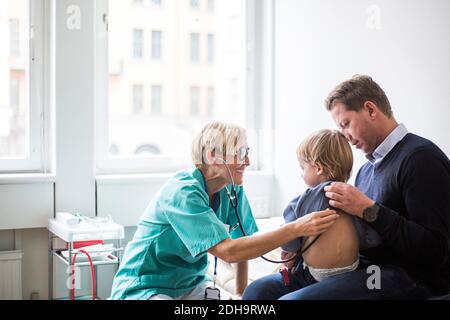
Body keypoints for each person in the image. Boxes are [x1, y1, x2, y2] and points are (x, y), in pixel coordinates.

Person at [245, 75, 450, 300]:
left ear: (371, 110)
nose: (345, 136)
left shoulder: (420, 158)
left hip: (406, 275)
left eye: (345, 124)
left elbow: (437, 249)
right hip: (367, 269)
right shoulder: (366, 171)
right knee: (258, 292)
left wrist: (368, 210)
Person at [110, 121, 339, 300]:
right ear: (212, 155)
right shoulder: (183, 192)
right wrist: (296, 228)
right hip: (146, 285)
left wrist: (241, 293)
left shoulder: (232, 189)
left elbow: (244, 241)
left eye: (247, 152)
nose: (247, 161)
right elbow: (229, 251)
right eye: (240, 153)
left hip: (192, 284)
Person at [243, 129, 360, 299]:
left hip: (312, 276)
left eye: (303, 167)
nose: (301, 173)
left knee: (254, 292)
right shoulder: (354, 197)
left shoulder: (304, 199)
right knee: (258, 289)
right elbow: (367, 235)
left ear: (318, 168)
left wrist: (288, 251)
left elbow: (289, 237)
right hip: (351, 273)